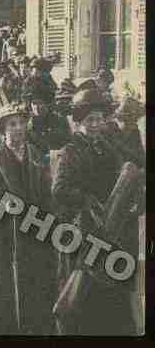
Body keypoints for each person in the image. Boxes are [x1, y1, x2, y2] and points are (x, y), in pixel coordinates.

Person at [52, 89, 139, 335]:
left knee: (109, 294)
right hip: (84, 228)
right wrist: (86, 199)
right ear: (78, 122)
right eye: (89, 120)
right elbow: (59, 190)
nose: (95, 124)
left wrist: (133, 197)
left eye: (99, 119)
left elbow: (127, 172)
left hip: (110, 227)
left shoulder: (108, 146)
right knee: (81, 292)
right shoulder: (70, 151)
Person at [0, 100, 57, 335]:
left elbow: (46, 190)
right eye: (12, 124)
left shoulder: (35, 154)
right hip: (6, 231)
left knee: (36, 276)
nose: (19, 128)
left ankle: (35, 324)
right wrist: (2, 205)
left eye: (22, 123)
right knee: (7, 280)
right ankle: (8, 328)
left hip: (36, 228)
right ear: (3, 130)